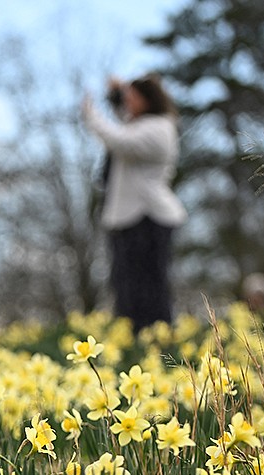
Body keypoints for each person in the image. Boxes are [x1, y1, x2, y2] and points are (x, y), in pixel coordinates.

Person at [83, 75, 187, 331]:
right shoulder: (140, 124)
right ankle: (136, 338)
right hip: (127, 218)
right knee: (124, 284)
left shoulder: (160, 128)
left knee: (148, 285)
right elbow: (124, 119)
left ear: (149, 99)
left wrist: (91, 116)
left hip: (148, 217)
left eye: (134, 97)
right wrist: (119, 93)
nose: (128, 103)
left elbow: (121, 141)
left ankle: (157, 338)